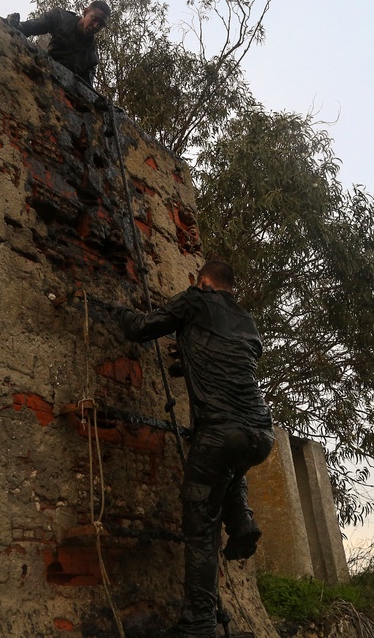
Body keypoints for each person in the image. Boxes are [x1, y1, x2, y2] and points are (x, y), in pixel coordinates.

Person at [112, 259, 275, 638]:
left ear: (202, 282)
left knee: (201, 529)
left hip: (221, 431)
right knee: (229, 468)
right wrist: (188, 362)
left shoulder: (194, 300)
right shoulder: (248, 323)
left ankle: (198, 623)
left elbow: (141, 329)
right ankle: (242, 519)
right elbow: (229, 365)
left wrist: (116, 309)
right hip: (260, 433)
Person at [8, 0, 111, 87]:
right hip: (39, 71)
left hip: (62, 89)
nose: (96, 26)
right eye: (94, 19)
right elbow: (30, 27)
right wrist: (15, 25)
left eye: (101, 24)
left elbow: (87, 89)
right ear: (85, 12)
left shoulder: (92, 57)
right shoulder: (60, 17)